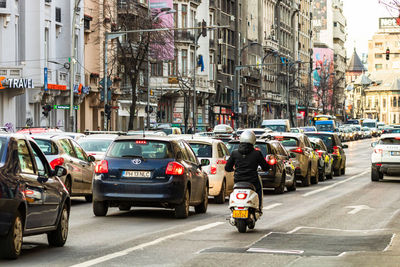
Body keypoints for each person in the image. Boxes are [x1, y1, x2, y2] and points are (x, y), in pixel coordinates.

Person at [225, 130, 269, 211]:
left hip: (238, 180)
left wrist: (233, 170)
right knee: (258, 190)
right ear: (253, 140)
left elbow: (227, 168)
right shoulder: (257, 153)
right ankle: (258, 208)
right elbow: (266, 167)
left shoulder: (235, 153)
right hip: (253, 180)